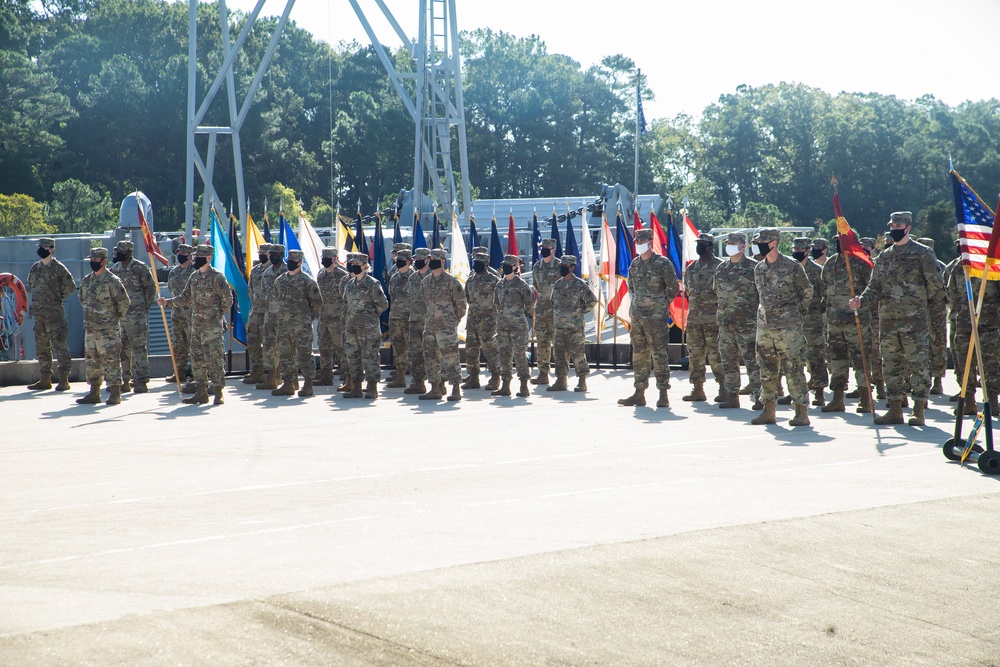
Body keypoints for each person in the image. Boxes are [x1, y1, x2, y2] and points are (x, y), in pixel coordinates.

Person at [850, 212, 944, 426]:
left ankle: (918, 409)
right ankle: (894, 408)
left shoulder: (923, 254)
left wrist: (920, 307)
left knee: (918, 363)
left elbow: (936, 287)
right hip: (888, 321)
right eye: (892, 224)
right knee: (891, 364)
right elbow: (875, 285)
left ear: (908, 227)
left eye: (898, 224)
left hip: (915, 321)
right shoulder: (885, 256)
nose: (894, 227)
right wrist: (861, 301)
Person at [751, 228, 813, 426]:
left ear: (774, 242)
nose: (759, 243)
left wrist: (794, 315)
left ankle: (801, 412)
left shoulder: (792, 266)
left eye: (763, 240)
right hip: (765, 327)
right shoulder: (759, 268)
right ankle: (768, 410)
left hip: (789, 328)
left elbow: (806, 292)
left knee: (793, 368)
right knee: (766, 369)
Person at [157, 245, 233, 405]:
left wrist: (216, 315)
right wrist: (167, 303)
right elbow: (185, 297)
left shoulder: (217, 277)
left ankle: (218, 392)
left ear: (209, 257)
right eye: (196, 255)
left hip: (211, 327)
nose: (197, 258)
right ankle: (201, 392)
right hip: (196, 325)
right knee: (197, 360)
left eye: (200, 256)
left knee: (214, 359)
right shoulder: (194, 277)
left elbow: (228, 299)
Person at [618, 228, 679, 408]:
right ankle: (639, 392)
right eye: (637, 241)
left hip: (656, 317)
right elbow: (631, 288)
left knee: (659, 353)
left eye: (642, 241)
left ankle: (663, 393)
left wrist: (659, 303)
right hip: (637, 317)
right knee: (639, 354)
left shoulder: (662, 263)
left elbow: (673, 288)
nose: (639, 244)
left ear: (650, 241)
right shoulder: (635, 265)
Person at [818, 234, 874, 413]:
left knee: (861, 359)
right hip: (835, 321)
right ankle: (837, 397)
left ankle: (865, 397)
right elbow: (824, 287)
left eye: (842, 240)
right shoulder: (830, 264)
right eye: (837, 241)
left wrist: (861, 303)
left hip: (856, 321)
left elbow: (872, 289)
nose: (839, 244)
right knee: (836, 359)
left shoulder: (861, 263)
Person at [76, 248, 129, 405]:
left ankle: (115, 392)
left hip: (108, 330)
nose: (93, 263)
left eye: (96, 261)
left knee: (111, 361)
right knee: (92, 362)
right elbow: (82, 299)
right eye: (91, 260)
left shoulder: (113, 281)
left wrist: (111, 319)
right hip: (91, 329)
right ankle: (94, 392)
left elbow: (124, 303)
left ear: (104, 261)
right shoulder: (87, 280)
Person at [714, 232, 760, 410]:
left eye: (733, 243)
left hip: (747, 324)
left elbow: (761, 294)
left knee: (752, 362)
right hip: (725, 323)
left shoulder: (754, 267)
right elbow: (717, 292)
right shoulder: (721, 268)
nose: (730, 245)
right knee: (728, 361)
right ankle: (732, 395)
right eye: (728, 242)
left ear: (743, 246)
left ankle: (759, 396)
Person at [26, 237, 76, 392]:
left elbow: (71, 287)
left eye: (44, 247)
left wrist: (56, 297)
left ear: (52, 249)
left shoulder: (59, 268)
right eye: (39, 246)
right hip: (39, 314)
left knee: (59, 346)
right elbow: (32, 285)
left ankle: (63, 379)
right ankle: (45, 378)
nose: (41, 249)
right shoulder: (35, 268)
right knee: (42, 347)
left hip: (54, 314)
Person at [271, 250, 322, 398]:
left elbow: (317, 304)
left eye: (294, 261)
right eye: (289, 260)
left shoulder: (308, 281)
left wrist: (306, 318)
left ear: (300, 263)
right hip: (283, 325)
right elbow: (278, 299)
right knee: (285, 355)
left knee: (304, 354)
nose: (291, 263)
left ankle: (308, 384)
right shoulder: (280, 280)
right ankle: (288, 383)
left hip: (302, 326)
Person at [683, 232, 726, 402]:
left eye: (702, 244)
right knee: (695, 355)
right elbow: (688, 291)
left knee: (717, 355)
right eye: (698, 243)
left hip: (713, 320)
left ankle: (723, 387)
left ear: (710, 247)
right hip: (694, 319)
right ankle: (697, 389)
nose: (699, 246)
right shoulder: (692, 268)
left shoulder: (720, 267)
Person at [419, 248, 467, 401]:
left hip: (446, 327)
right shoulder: (425, 282)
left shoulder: (452, 282)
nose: (430, 261)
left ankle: (456, 389)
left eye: (434, 259)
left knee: (451, 357)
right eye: (429, 258)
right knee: (430, 357)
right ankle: (435, 388)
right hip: (430, 326)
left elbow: (461, 305)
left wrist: (452, 321)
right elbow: (425, 302)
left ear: (442, 261)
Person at [110, 239, 155, 393]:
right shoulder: (114, 270)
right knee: (122, 349)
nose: (118, 254)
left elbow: (150, 289)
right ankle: (125, 380)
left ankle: (141, 381)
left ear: (129, 252)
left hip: (137, 316)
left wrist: (143, 308)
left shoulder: (140, 268)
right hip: (120, 316)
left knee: (138, 348)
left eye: (121, 251)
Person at [342, 253, 388, 399]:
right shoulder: (350, 284)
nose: (353, 265)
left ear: (364, 265)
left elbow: (382, 304)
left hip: (368, 328)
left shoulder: (372, 283)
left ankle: (372, 387)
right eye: (352, 262)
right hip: (351, 327)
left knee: (370, 357)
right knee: (353, 356)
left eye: (356, 263)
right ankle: (356, 386)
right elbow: (345, 302)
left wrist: (370, 316)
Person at [549, 255, 597, 393]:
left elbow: (592, 301)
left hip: (574, 327)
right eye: (561, 266)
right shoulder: (557, 285)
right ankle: (561, 381)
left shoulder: (579, 284)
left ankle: (582, 381)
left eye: (565, 267)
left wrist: (580, 312)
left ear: (572, 268)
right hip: (559, 327)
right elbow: (553, 302)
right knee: (559, 354)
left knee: (578, 354)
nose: (562, 269)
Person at [791, 237, 829, 406]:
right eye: (795, 250)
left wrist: (820, 310)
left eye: (800, 251)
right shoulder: (790, 268)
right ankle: (796, 392)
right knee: (793, 357)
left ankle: (819, 391)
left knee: (816, 356)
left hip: (813, 320)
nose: (796, 253)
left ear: (807, 251)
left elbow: (826, 293)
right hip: (794, 320)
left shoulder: (817, 270)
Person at [493, 253, 534, 397]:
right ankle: (505, 386)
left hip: (518, 328)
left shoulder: (522, 285)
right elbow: (496, 304)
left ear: (515, 267)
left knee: (520, 356)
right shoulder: (499, 284)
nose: (505, 267)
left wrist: (518, 315)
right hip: (503, 326)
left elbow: (530, 305)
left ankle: (524, 386)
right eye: (504, 264)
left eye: (509, 265)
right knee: (504, 356)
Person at [944, 241, 978, 413]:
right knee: (963, 361)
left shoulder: (989, 264)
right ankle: (969, 399)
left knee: (990, 362)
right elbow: (951, 292)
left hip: (988, 322)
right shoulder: (958, 266)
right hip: (962, 321)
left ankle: (993, 399)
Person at [463, 251, 501, 391]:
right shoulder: (471, 279)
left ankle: (496, 376)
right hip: (473, 318)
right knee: (471, 349)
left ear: (486, 264)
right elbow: (467, 297)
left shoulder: (493, 279)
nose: (476, 264)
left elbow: (499, 298)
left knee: (490, 349)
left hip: (488, 320)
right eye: (475, 261)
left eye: (479, 262)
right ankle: (473, 377)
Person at [917, 237, 948, 395]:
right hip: (919, 311)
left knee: (938, 345)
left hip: (936, 312)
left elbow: (948, 291)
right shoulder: (914, 265)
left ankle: (938, 380)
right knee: (919, 346)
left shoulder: (941, 267)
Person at [255, 244, 287, 391]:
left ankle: (288, 379)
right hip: (269, 317)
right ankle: (272, 378)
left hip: (284, 318)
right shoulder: (267, 273)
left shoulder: (288, 272)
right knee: (268, 347)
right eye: (271, 254)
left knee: (285, 348)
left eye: (275, 254)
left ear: (281, 255)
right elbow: (262, 296)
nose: (272, 256)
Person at [165, 243, 196, 388]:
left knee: (193, 345)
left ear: (190, 255)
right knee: (178, 345)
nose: (180, 256)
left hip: (191, 314)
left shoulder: (195, 271)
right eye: (179, 253)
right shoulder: (174, 272)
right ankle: (179, 372)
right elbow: (171, 289)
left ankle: (196, 374)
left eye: (183, 253)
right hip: (177, 313)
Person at [530, 238, 561, 385]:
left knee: (559, 344)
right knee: (542, 344)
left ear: (553, 249)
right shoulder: (537, 267)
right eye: (543, 247)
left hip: (556, 312)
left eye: (547, 248)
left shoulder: (561, 266)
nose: (544, 250)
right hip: (541, 311)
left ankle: (561, 376)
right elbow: (536, 287)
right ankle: (543, 373)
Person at [316, 247, 349, 387]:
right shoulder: (320, 274)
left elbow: (347, 298)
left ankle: (348, 377)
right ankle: (326, 375)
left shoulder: (343, 275)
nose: (325, 259)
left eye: (328, 257)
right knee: (324, 347)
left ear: (335, 258)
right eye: (323, 256)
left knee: (341, 349)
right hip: (324, 318)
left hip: (338, 318)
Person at [242, 243, 273, 385]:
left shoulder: (275, 270)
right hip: (256, 312)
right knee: (253, 342)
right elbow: (250, 290)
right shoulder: (255, 270)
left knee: (270, 344)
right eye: (260, 253)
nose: (261, 255)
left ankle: (274, 374)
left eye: (264, 253)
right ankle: (257, 371)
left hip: (269, 313)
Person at [404, 247, 432, 395]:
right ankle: (418, 383)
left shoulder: (433, 276)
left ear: (427, 260)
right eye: (415, 260)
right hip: (414, 320)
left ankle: (439, 383)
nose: (417, 262)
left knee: (433, 354)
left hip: (429, 321)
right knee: (415, 354)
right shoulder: (412, 278)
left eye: (420, 260)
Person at [386, 248, 413, 387]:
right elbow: (392, 296)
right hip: (396, 317)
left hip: (410, 318)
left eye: (401, 259)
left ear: (408, 261)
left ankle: (418, 379)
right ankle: (400, 376)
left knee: (413, 348)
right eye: (397, 259)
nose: (397, 261)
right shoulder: (395, 277)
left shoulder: (414, 277)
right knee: (398, 347)